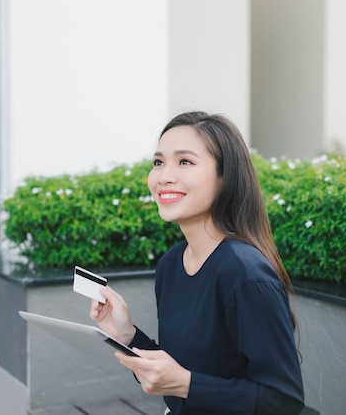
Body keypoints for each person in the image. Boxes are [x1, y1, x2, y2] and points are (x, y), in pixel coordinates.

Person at [90, 111, 305, 414]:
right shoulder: (170, 265)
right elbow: (181, 373)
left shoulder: (245, 274)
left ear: (224, 176)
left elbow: (284, 401)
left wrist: (185, 384)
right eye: (158, 162)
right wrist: (127, 336)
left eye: (185, 162)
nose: (164, 176)